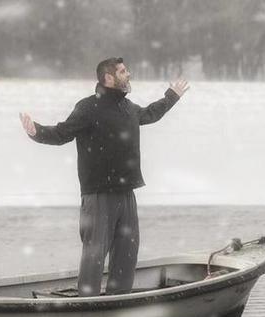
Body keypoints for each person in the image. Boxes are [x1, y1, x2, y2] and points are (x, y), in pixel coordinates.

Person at [19, 57, 189, 296]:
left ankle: (118, 301)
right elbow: (61, 133)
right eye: (122, 71)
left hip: (126, 192)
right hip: (98, 195)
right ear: (108, 78)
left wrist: (171, 96)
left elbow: (151, 114)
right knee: (94, 253)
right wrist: (36, 131)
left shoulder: (127, 108)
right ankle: (86, 303)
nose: (128, 74)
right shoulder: (88, 107)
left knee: (127, 252)